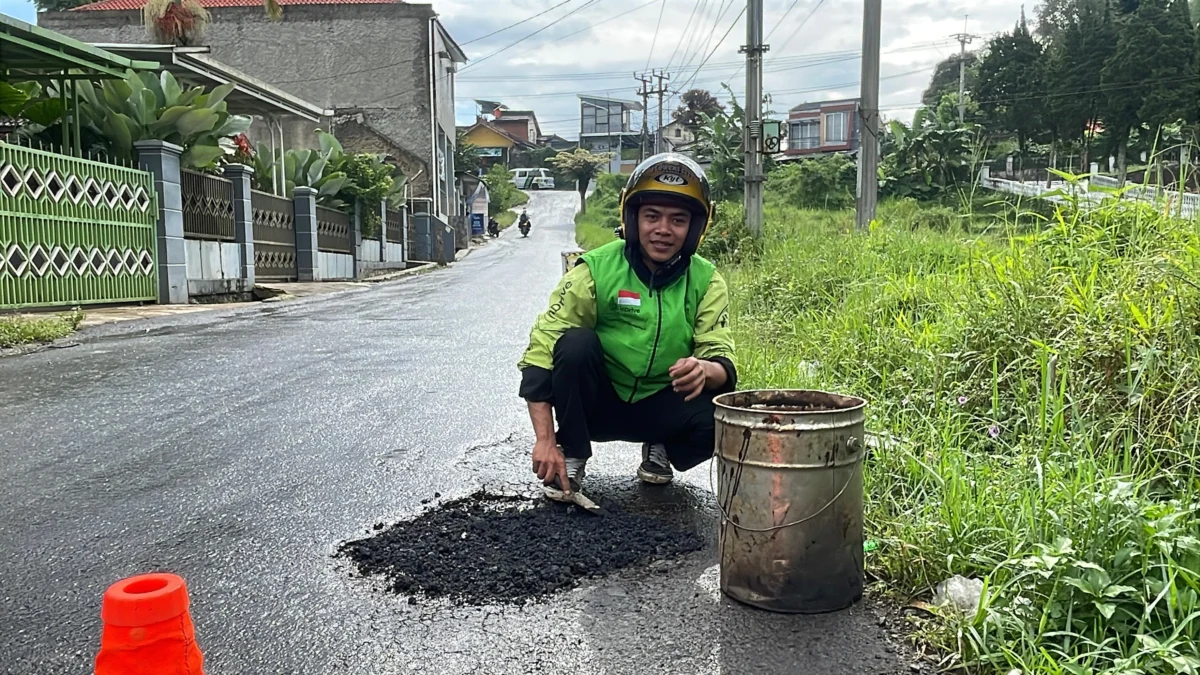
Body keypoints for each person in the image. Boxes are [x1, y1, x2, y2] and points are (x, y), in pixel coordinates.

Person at [516, 153, 736, 501]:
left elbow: (720, 353)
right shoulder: (594, 269)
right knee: (574, 343)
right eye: (652, 217)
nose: (663, 230)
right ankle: (572, 453)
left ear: (695, 228)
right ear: (632, 219)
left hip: (661, 407)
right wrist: (544, 439)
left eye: (678, 220)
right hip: (598, 406)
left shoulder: (708, 281)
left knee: (724, 415)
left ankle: (660, 446)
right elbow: (542, 348)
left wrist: (704, 370)